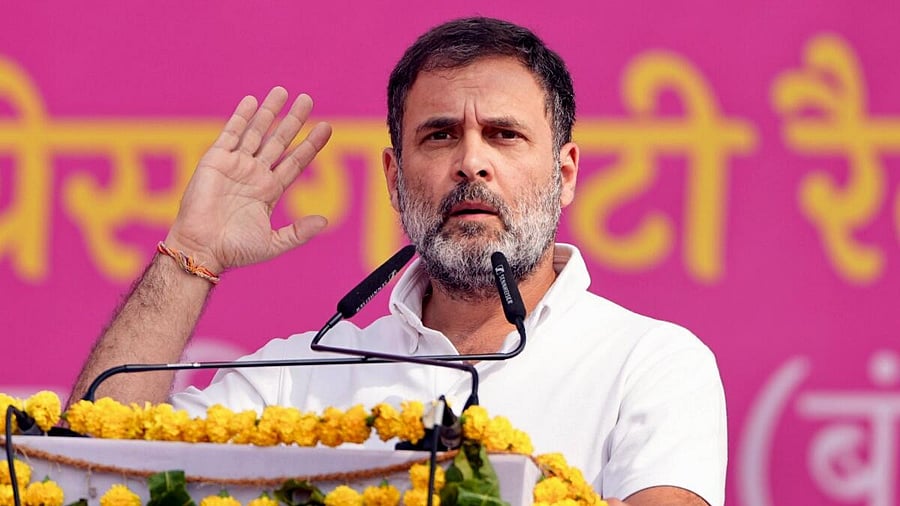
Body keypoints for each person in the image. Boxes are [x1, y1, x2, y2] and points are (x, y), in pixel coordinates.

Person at [70, 17, 726, 506]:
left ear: (566, 173)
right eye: (440, 135)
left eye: (504, 134)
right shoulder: (303, 377)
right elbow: (93, 468)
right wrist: (191, 254)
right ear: (393, 176)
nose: (471, 161)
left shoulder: (652, 362)